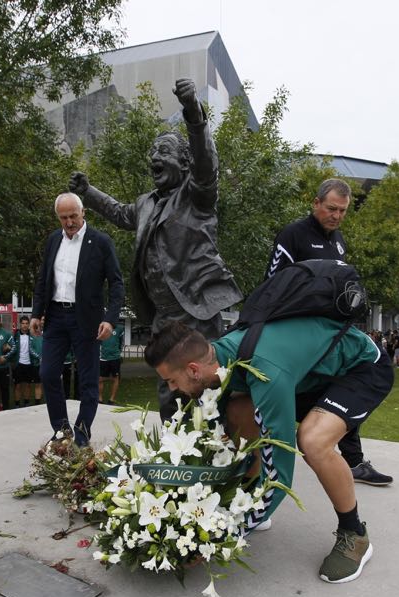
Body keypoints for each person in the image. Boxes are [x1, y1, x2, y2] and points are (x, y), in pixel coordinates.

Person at [144, 319, 393, 583]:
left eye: (171, 381)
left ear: (193, 369)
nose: (172, 389)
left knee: (312, 440)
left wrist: (225, 534)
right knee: (238, 411)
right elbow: (210, 432)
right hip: (310, 374)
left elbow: (280, 475)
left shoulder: (265, 370)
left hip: (361, 368)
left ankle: (354, 534)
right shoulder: (219, 361)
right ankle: (250, 498)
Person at [68, 78, 242, 419]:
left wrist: (193, 112)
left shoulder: (198, 196)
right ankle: (173, 446)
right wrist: (88, 192)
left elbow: (207, 159)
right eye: (152, 153)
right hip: (163, 313)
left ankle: (215, 448)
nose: (154, 158)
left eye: (163, 152)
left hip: (196, 308)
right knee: (169, 384)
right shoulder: (146, 203)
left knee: (205, 381)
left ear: (185, 162)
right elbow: (119, 213)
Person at [264, 178, 393, 486]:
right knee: (297, 392)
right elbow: (272, 284)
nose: (336, 216)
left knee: (343, 390)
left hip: (332, 332)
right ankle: (267, 466)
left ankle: (354, 462)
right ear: (316, 203)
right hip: (299, 332)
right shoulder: (293, 235)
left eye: (343, 211)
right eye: (332, 208)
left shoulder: (339, 241)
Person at [31, 192, 124, 447]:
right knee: (48, 373)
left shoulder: (101, 242)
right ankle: (61, 430)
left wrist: (110, 319)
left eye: (73, 216)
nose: (69, 222)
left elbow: (116, 283)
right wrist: (36, 313)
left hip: (87, 319)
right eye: (63, 217)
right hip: (55, 317)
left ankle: (82, 433)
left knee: (88, 380)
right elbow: (43, 280)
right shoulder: (53, 241)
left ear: (83, 213)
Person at [13, 315, 40, 408]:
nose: (24, 325)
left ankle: (26, 403)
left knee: (28, 385)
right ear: (20, 324)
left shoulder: (32, 335)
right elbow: (12, 347)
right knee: (17, 386)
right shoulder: (15, 335)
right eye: (23, 323)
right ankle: (17, 405)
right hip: (19, 364)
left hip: (29, 364)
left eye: (26, 323)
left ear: (29, 324)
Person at [98, 321, 125, 405]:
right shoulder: (102, 327)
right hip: (103, 358)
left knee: (115, 378)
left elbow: (121, 342)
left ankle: (111, 400)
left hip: (115, 358)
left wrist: (119, 352)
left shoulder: (120, 328)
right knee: (99, 379)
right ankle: (100, 399)